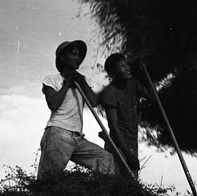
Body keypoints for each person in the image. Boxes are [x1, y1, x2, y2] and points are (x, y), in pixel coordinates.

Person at [37, 40, 115, 179]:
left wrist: (81, 81)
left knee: (106, 160)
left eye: (79, 55)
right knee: (48, 179)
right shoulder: (52, 80)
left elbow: (94, 102)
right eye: (73, 54)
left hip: (77, 137)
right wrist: (67, 83)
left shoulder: (82, 81)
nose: (77, 58)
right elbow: (53, 104)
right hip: (58, 133)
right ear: (62, 58)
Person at [99, 53, 149, 176]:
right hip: (118, 146)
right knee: (117, 184)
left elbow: (151, 96)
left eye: (126, 64)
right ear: (112, 74)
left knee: (131, 184)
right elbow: (114, 127)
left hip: (132, 142)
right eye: (122, 66)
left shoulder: (132, 83)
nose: (127, 68)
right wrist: (128, 155)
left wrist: (144, 73)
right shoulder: (110, 93)